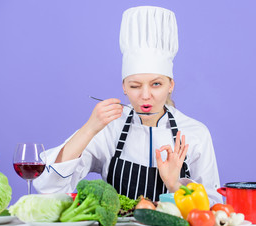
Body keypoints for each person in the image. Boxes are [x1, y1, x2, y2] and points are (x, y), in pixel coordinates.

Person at [34, 6, 222, 205]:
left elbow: (211, 207)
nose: (145, 95)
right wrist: (89, 128)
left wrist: (175, 184)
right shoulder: (109, 129)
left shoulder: (196, 133)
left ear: (170, 86)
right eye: (135, 86)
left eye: (156, 84)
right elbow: (49, 186)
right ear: (124, 87)